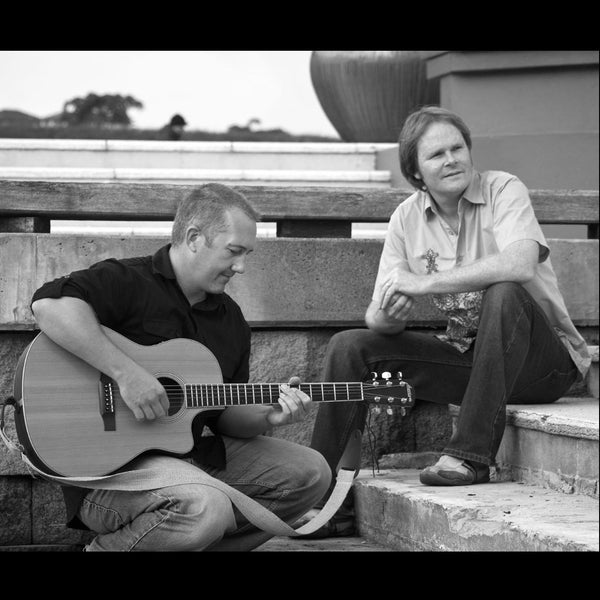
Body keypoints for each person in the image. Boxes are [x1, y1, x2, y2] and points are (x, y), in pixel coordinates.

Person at [298, 105, 590, 538]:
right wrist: (388, 316)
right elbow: (381, 310)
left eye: (458, 148)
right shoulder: (406, 218)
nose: (451, 159)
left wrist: (426, 283)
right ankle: (325, 497)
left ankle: (470, 457)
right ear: (416, 172)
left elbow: (522, 262)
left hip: (544, 365)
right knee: (351, 345)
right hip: (471, 360)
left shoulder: (504, 189)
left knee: (505, 290)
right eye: (437, 155)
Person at [30, 182, 331, 551]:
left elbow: (223, 416)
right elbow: (49, 307)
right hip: (107, 474)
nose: (241, 266)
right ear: (193, 238)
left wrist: (269, 416)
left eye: (246, 254)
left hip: (188, 461)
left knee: (312, 473)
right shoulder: (129, 281)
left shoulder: (231, 320)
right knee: (206, 507)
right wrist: (126, 374)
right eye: (233, 252)